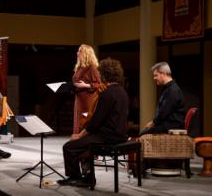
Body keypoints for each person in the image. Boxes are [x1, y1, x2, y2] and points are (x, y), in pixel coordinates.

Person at [57, 58, 129, 187]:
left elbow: (95, 122)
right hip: (120, 134)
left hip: (107, 137)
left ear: (104, 74)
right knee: (84, 144)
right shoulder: (122, 91)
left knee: (69, 147)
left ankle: (75, 177)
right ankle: (89, 177)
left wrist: (79, 135)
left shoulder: (107, 94)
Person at [139, 62, 186, 136]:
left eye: (155, 75)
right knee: (144, 131)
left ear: (163, 74)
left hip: (172, 126)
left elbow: (164, 112)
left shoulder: (172, 90)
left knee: (143, 134)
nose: (154, 78)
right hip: (168, 124)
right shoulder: (169, 89)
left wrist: (153, 123)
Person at [72, 44, 101, 135]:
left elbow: (99, 84)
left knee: (85, 121)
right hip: (79, 99)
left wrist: (86, 85)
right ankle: (77, 141)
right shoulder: (79, 67)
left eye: (80, 51)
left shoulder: (92, 68)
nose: (77, 53)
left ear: (86, 53)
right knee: (78, 122)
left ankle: (84, 143)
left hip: (88, 101)